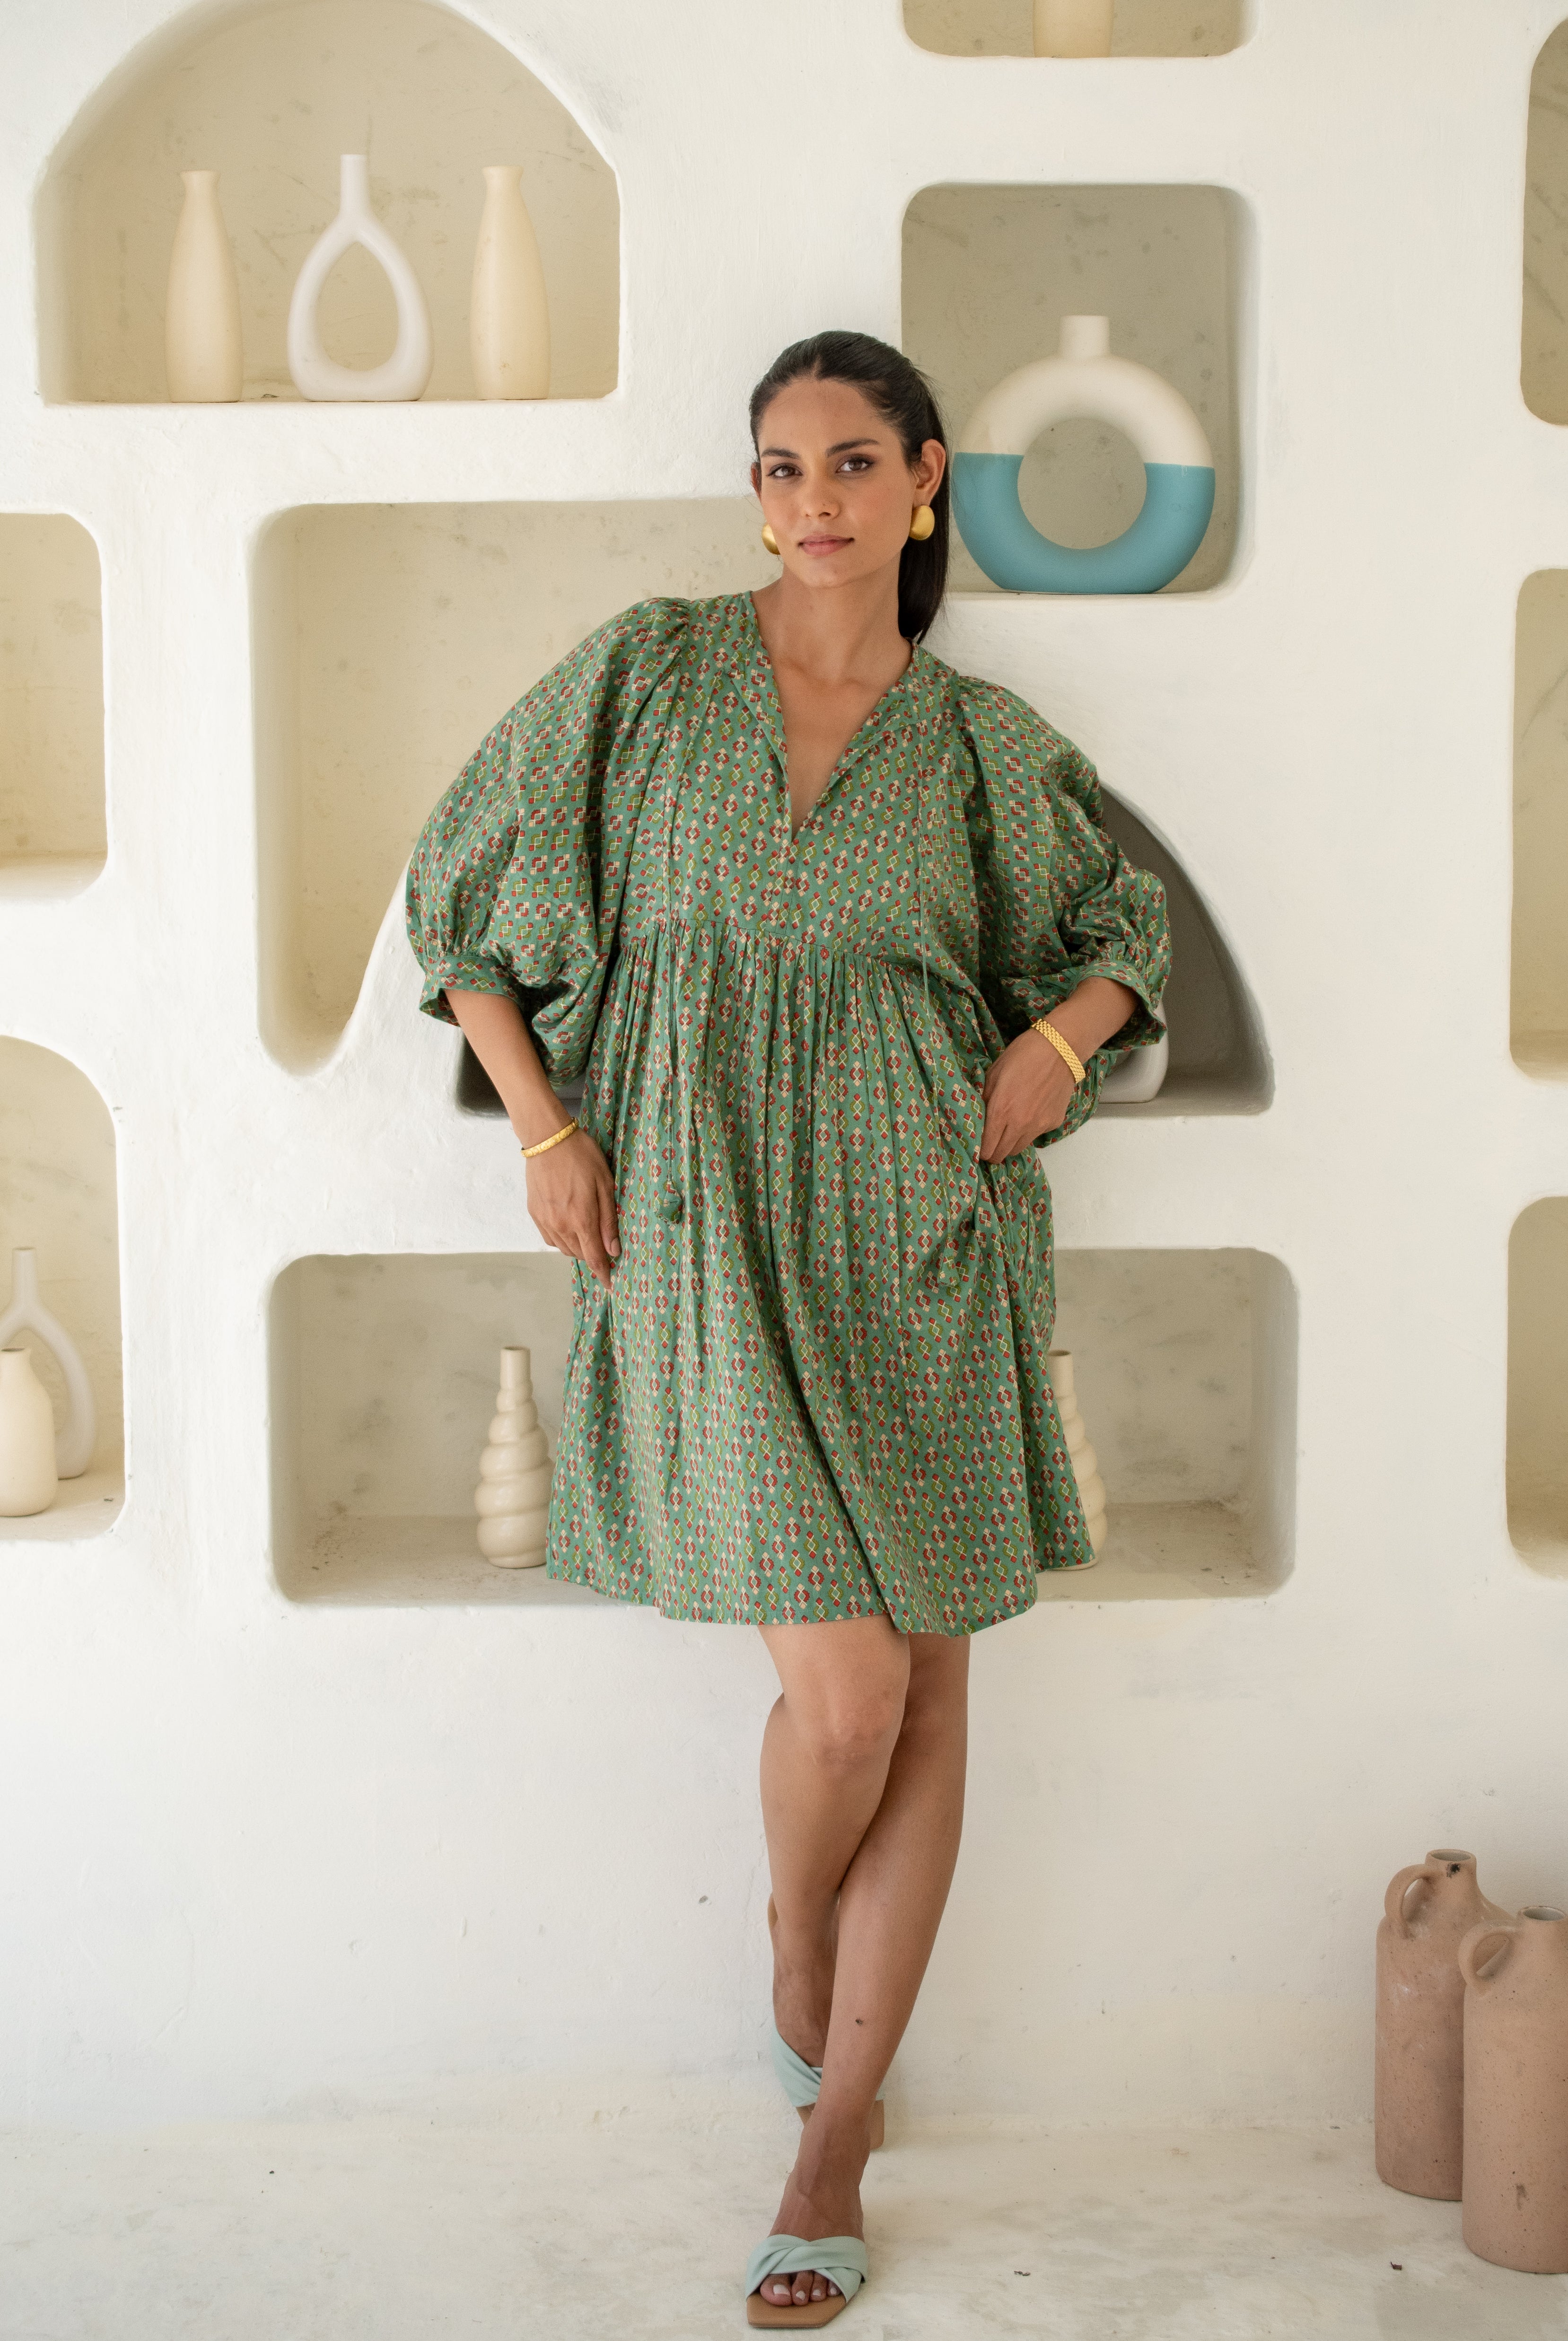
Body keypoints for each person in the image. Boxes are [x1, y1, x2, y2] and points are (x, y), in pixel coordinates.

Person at [406, 329, 1170, 2328]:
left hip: (926, 1235)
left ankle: (829, 2140)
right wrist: (544, 1128)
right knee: (847, 1704)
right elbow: (460, 895)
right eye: (776, 466)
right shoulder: (648, 675)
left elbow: (1123, 933)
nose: (809, 500)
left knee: (930, 1685)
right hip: (698, 1232)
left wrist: (1056, 1043)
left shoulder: (983, 745)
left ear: (923, 483)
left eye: (847, 462)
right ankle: (793, 1927)